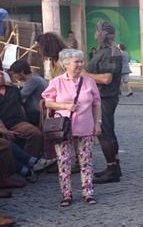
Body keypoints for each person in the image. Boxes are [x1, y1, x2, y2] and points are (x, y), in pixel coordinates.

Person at [41, 49, 102, 206]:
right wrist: (65, 105)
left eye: (81, 61)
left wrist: (97, 123)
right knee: (64, 161)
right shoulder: (56, 82)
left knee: (86, 161)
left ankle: (88, 192)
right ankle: (66, 194)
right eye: (76, 62)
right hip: (63, 129)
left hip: (85, 126)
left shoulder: (89, 82)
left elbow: (96, 104)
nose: (80, 65)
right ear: (66, 64)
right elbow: (47, 102)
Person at [85, 21, 124, 184]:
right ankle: (113, 167)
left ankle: (112, 169)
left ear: (102, 34)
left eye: (96, 31)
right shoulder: (104, 51)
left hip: (105, 98)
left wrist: (83, 73)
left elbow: (106, 78)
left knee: (104, 133)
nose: (94, 34)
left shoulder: (110, 53)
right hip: (102, 97)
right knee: (108, 132)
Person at [0, 69, 43, 157]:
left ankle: (32, 161)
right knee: (5, 141)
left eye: (1, 74)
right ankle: (20, 166)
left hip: (16, 122)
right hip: (1, 124)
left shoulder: (13, 90)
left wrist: (27, 122)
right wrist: (4, 130)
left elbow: (21, 106)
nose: (1, 76)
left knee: (35, 133)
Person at [8, 60, 48, 126]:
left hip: (37, 114)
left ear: (22, 72)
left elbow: (19, 97)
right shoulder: (37, 78)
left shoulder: (33, 80)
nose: (14, 77)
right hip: (38, 113)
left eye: (14, 74)